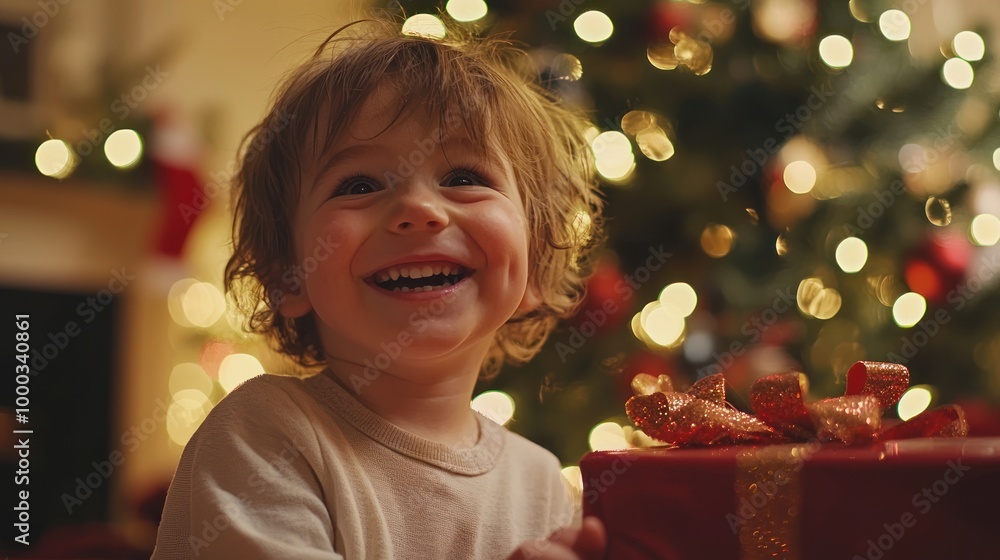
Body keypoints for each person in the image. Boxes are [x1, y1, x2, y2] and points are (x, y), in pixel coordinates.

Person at [152, 14, 607, 560]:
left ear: (534, 263)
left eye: (464, 178)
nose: (418, 209)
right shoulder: (267, 432)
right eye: (359, 184)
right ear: (284, 273)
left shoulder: (545, 484)